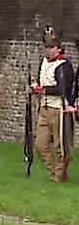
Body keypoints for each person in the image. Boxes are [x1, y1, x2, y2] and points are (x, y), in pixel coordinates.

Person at [30, 25, 74, 182]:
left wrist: (44, 90)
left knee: (60, 145)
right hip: (44, 107)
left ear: (59, 48)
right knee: (40, 145)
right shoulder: (44, 62)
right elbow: (40, 80)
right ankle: (55, 171)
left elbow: (63, 89)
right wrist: (35, 87)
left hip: (58, 108)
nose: (48, 50)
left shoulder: (64, 65)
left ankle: (59, 176)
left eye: (51, 47)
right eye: (47, 47)